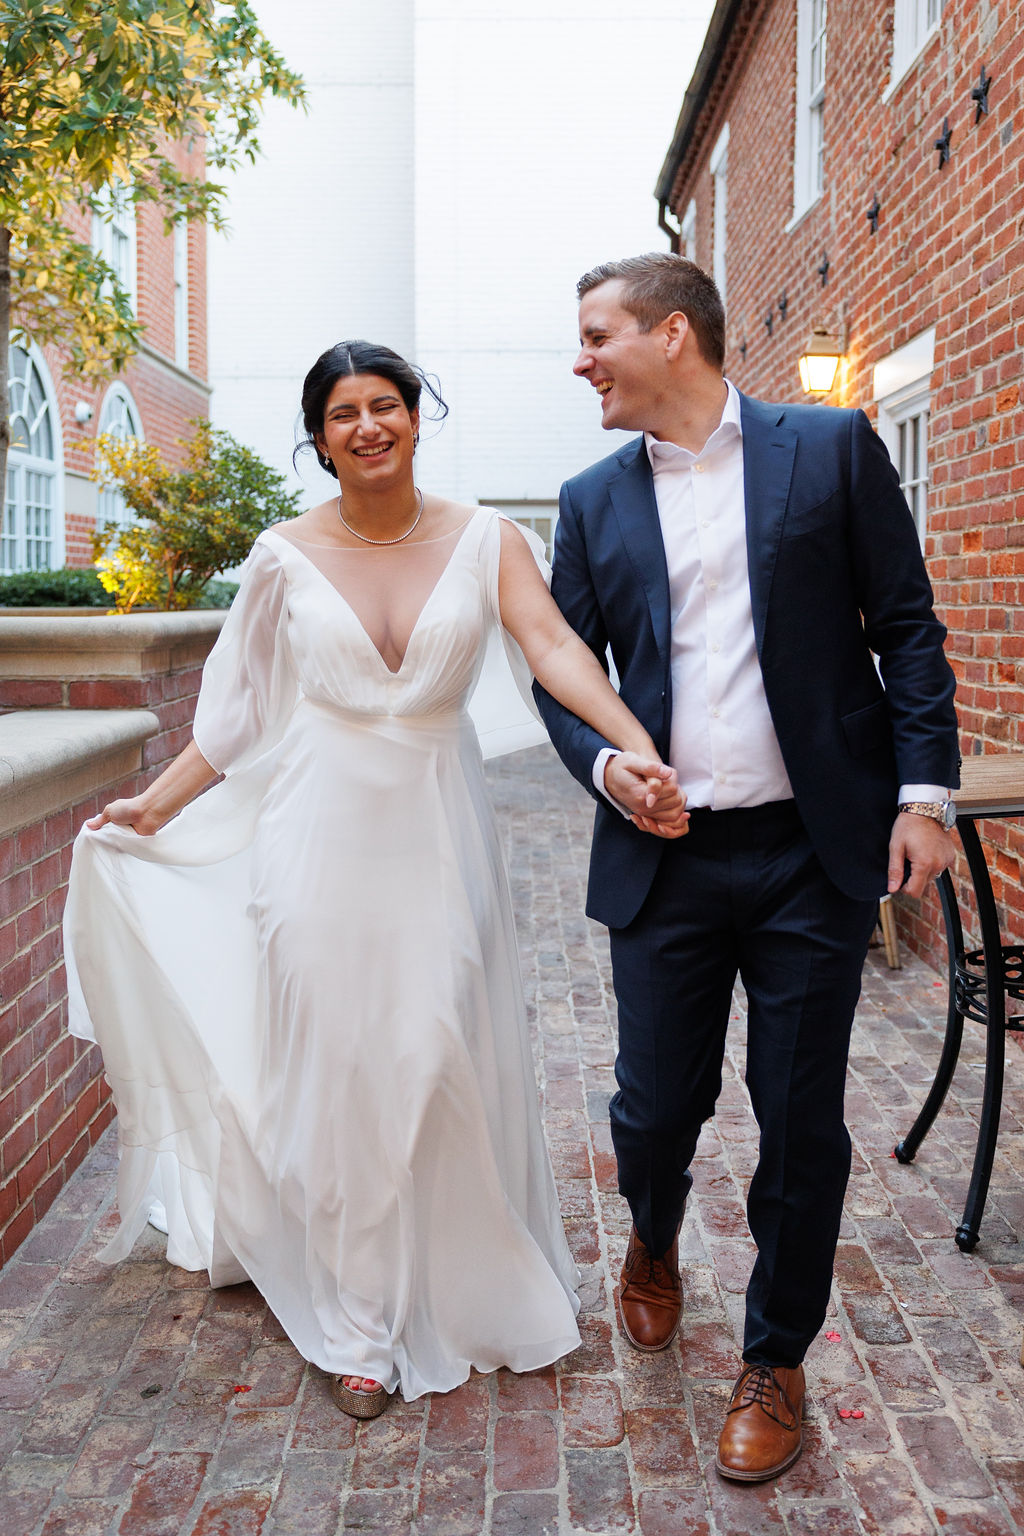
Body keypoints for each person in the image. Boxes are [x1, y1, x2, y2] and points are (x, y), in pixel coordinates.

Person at [64, 339, 686, 1420]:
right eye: (344, 413)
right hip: (311, 844)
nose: (368, 426)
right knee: (340, 1071)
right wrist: (152, 809)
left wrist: (633, 745)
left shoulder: (488, 538)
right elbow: (236, 715)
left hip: (437, 841)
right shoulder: (280, 556)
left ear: (413, 415)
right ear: (318, 439)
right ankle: (358, 1325)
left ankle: (455, 1280)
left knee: (433, 1047)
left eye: (386, 405)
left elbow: (554, 648)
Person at [534, 254, 960, 1482]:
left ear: (674, 335)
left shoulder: (826, 452)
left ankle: (776, 1358)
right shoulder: (589, 497)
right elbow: (565, 681)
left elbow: (907, 627)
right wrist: (610, 771)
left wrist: (922, 792)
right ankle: (653, 1235)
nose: (581, 360)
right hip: (661, 860)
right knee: (654, 1106)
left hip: (805, 855)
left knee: (799, 1119)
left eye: (595, 335)